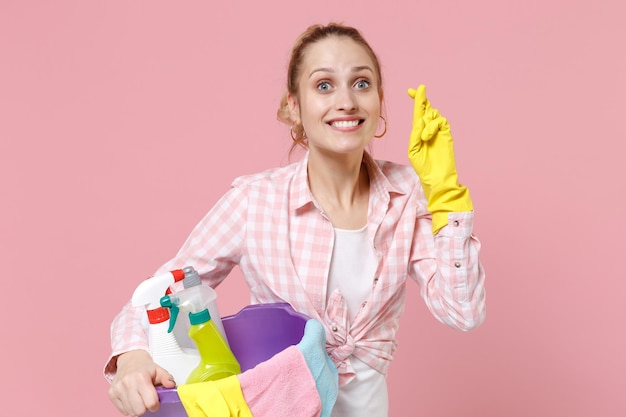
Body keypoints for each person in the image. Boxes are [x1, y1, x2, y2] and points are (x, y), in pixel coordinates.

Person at [105, 22, 486, 417]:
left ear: (379, 101)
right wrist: (133, 357)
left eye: (361, 83)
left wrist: (446, 197)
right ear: (293, 107)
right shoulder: (255, 201)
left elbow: (462, 312)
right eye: (324, 85)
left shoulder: (407, 194)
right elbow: (158, 292)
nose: (347, 101)